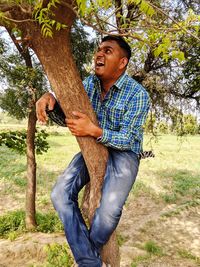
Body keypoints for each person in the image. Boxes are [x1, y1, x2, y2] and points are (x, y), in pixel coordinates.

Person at [36, 35, 150, 267]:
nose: (99, 54)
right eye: (98, 50)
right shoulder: (88, 84)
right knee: (59, 194)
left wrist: (94, 130)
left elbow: (128, 138)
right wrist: (51, 100)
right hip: (93, 143)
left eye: (107, 51)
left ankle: (87, 258)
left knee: (108, 212)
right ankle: (90, 262)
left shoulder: (138, 94)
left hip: (125, 152)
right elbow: (69, 118)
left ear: (122, 62)